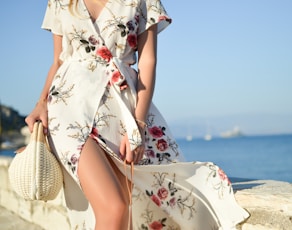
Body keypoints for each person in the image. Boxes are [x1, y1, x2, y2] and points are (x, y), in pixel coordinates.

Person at [25, 0, 249, 229]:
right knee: (115, 206)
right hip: (67, 107)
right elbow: (59, 60)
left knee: (128, 209)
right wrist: (41, 102)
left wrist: (138, 124)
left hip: (121, 109)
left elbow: (148, 62)